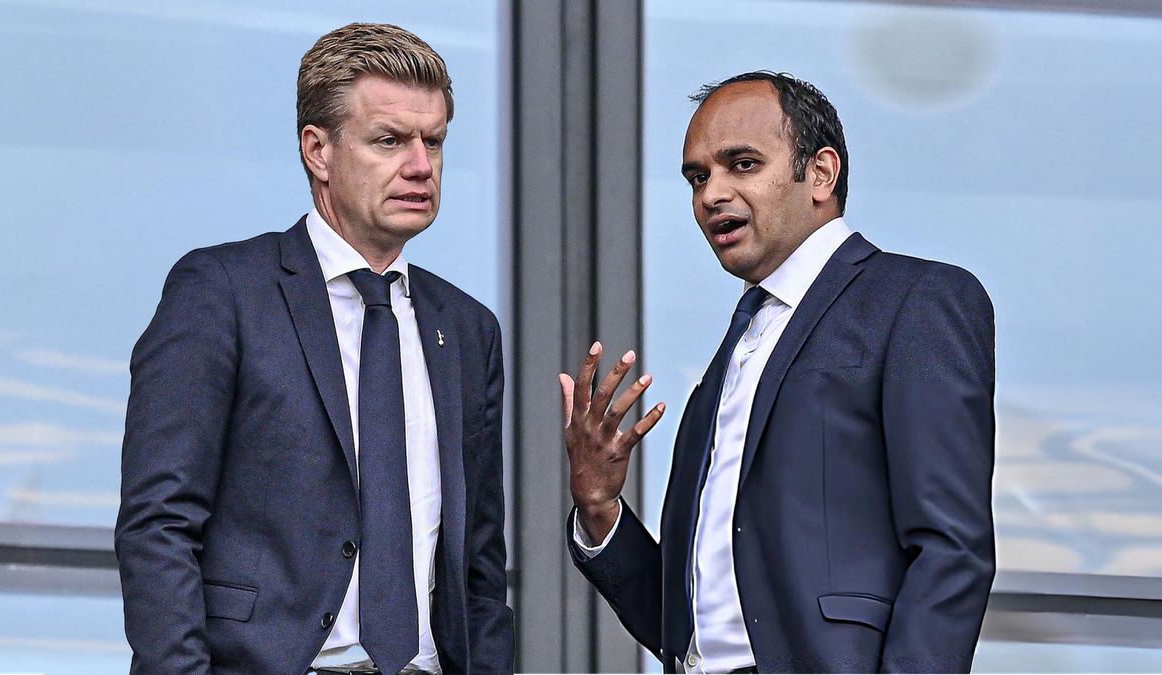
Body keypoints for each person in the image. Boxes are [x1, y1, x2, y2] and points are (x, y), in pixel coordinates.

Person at [560, 71, 995, 673]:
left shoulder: (913, 300)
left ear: (821, 173)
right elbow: (684, 623)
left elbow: (951, 551)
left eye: (742, 165)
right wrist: (600, 506)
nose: (712, 194)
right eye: (697, 177)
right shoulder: (737, 351)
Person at [116, 23, 512, 675]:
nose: (421, 166)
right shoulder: (222, 292)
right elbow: (159, 525)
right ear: (318, 151)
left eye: (434, 141)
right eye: (390, 140)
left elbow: (479, 565)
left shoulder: (468, 329)